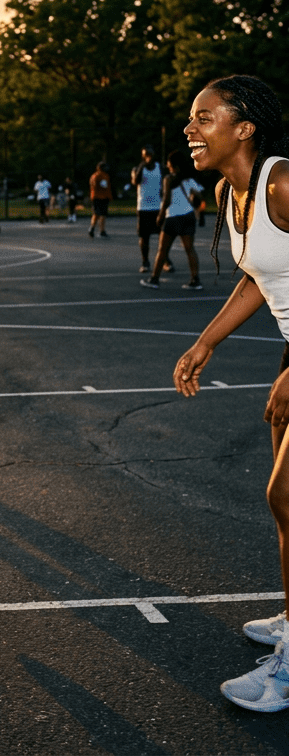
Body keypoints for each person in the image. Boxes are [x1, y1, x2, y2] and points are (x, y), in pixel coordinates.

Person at [173, 74, 289, 712]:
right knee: (287, 506)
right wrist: (205, 341)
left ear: (244, 128)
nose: (190, 128)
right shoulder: (229, 192)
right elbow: (257, 277)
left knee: (284, 494)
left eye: (204, 117)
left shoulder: (282, 182)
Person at [140, 150, 203, 290]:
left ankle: (154, 279)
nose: (168, 166)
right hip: (188, 216)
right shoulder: (190, 179)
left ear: (174, 165)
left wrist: (160, 216)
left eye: (169, 165)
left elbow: (167, 200)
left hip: (172, 217)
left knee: (162, 250)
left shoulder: (168, 179)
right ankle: (195, 280)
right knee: (190, 249)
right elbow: (198, 198)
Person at [132, 147, 164, 273]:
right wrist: (142, 166)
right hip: (143, 208)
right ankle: (145, 262)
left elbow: (166, 182)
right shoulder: (138, 169)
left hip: (158, 207)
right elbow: (136, 181)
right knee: (144, 237)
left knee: (163, 236)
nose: (148, 157)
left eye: (150, 154)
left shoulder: (160, 168)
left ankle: (165, 261)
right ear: (143, 156)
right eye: (146, 155)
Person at [88, 162, 112, 238]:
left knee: (96, 213)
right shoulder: (103, 176)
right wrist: (109, 196)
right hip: (103, 197)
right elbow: (105, 187)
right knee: (102, 215)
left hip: (95, 197)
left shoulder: (93, 176)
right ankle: (102, 230)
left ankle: (92, 227)